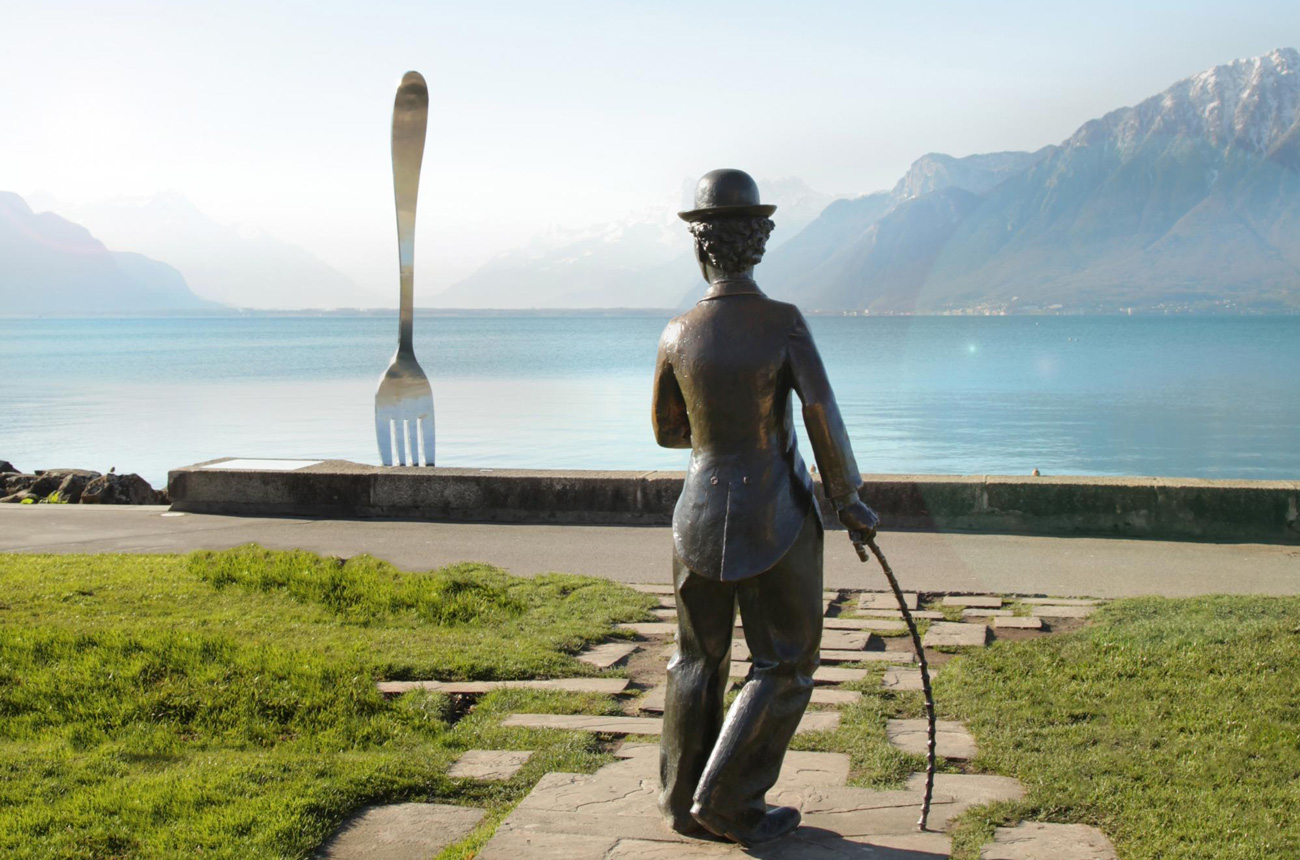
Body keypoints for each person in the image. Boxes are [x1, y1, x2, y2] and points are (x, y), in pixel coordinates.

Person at [652, 168, 880, 846]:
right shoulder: (784, 323)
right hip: (775, 512)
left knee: (696, 659)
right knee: (784, 661)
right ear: (757, 244)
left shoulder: (677, 332)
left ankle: (680, 800)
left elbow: (667, 430)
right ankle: (727, 800)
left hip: (697, 511)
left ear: (701, 246)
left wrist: (717, 432)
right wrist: (848, 498)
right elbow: (819, 410)